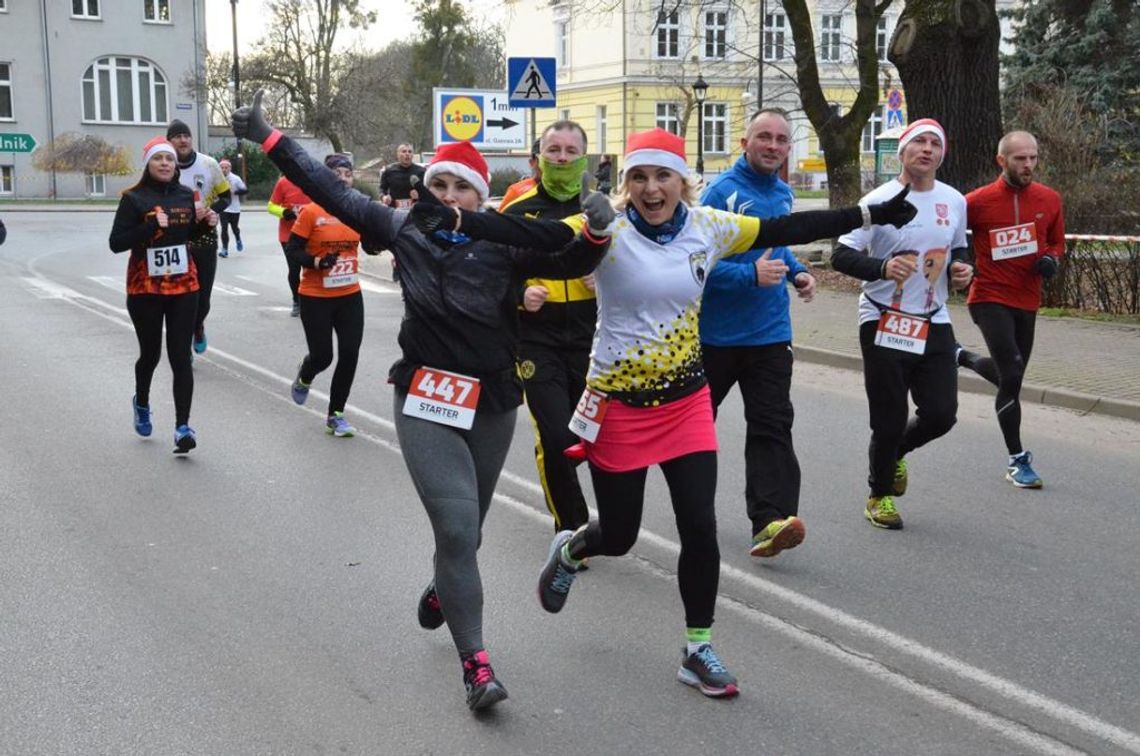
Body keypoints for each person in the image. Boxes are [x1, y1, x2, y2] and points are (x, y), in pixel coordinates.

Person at [435, 127, 917, 699]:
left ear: (681, 182)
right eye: (638, 176)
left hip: (686, 400)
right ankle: (571, 547)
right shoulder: (605, 231)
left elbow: (788, 229)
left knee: (700, 528)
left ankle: (698, 648)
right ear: (628, 184)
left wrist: (863, 210)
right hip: (618, 406)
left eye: (662, 175)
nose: (650, 187)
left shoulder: (708, 226)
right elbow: (527, 232)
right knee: (619, 534)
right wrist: (461, 220)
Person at [233, 91, 613, 712]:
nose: (449, 197)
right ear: (423, 190)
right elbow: (330, 191)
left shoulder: (504, 237)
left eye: (461, 188)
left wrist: (597, 231)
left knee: (469, 533)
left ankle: (443, 587)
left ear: (479, 195)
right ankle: (477, 666)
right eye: (439, 185)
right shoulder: (400, 228)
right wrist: (269, 137)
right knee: (458, 528)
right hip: (425, 397)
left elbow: (569, 254)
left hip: (492, 399)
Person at [832, 119, 975, 530]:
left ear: (941, 154)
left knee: (941, 413)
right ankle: (879, 495)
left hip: (933, 319)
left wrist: (964, 269)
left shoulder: (954, 200)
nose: (927, 150)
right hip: (882, 318)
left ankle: (895, 454)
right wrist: (881, 266)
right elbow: (841, 255)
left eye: (935, 144)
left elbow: (958, 248)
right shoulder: (879, 199)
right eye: (919, 143)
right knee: (889, 418)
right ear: (903, 151)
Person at [699, 108, 813, 559]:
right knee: (694, 431)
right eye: (763, 137)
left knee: (772, 425)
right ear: (745, 142)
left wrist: (798, 273)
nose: (772, 145)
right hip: (715, 339)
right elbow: (695, 261)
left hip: (769, 335)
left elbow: (777, 250)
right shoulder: (722, 193)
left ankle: (770, 521)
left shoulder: (784, 194)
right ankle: (693, 510)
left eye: (781, 139)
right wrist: (749, 276)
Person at [500, 121, 596, 537]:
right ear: (538, 158)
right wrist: (521, 294)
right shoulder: (517, 213)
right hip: (536, 340)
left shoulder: (602, 212)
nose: (560, 157)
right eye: (552, 150)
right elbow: (490, 276)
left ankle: (602, 512)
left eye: (569, 151)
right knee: (556, 436)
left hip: (594, 343)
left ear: (583, 158)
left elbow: (636, 274)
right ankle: (571, 527)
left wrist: (607, 283)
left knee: (593, 440)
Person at [958, 131, 1065, 489]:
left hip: (1027, 299)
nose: (1029, 165)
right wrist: (959, 265)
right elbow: (951, 237)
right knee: (1013, 371)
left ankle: (961, 356)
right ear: (1002, 161)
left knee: (1011, 378)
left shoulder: (1049, 199)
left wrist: (1051, 259)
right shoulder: (976, 202)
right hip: (988, 295)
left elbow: (1056, 241)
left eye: (1033, 158)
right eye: (1020, 159)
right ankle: (1017, 460)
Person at [108, 136, 208, 453]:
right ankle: (142, 401)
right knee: (150, 355)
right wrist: (148, 227)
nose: (165, 163)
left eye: (169, 158)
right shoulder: (134, 198)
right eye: (158, 159)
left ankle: (182, 427)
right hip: (145, 287)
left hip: (183, 284)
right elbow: (116, 242)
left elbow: (191, 236)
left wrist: (206, 224)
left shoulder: (185, 195)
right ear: (148, 164)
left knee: (180, 356)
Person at [285, 154, 365, 437]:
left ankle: (336, 414)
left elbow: (371, 242)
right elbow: (294, 250)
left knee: (350, 354)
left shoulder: (357, 210)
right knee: (323, 357)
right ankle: (306, 374)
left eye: (347, 173)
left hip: (350, 295)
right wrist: (317, 263)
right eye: (336, 173)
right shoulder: (311, 212)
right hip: (316, 295)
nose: (343, 178)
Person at [166, 119, 231, 355]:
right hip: (175, 238)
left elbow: (226, 198)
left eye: (186, 135)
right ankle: (182, 346)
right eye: (177, 136)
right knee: (178, 296)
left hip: (204, 237)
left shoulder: (209, 164)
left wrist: (213, 210)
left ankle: (198, 325)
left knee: (202, 297)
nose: (183, 140)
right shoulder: (164, 165)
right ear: (169, 141)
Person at [267, 175, 312, 316]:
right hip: (289, 235)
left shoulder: (313, 180)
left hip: (311, 234)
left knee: (310, 269)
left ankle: (311, 300)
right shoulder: (284, 181)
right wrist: (283, 212)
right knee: (294, 269)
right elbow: (271, 206)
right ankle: (296, 301)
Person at [497, 139, 541, 211]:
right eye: (544, 158)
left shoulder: (565, 193)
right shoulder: (517, 192)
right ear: (532, 162)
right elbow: (501, 220)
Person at [218, 158, 248, 258]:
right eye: (222, 167)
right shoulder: (217, 179)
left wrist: (234, 192)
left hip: (234, 208)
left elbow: (245, 190)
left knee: (234, 228)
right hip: (224, 208)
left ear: (230, 168)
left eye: (226, 167)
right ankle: (224, 249)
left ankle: (238, 238)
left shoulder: (236, 178)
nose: (224, 169)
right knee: (224, 228)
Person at [379, 143, 425, 208]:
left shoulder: (421, 171)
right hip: (394, 210)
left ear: (412, 155)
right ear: (398, 154)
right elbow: (382, 189)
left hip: (415, 211)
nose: (407, 154)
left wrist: (420, 195)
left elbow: (428, 193)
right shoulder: (389, 171)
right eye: (404, 151)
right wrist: (384, 197)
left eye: (410, 152)